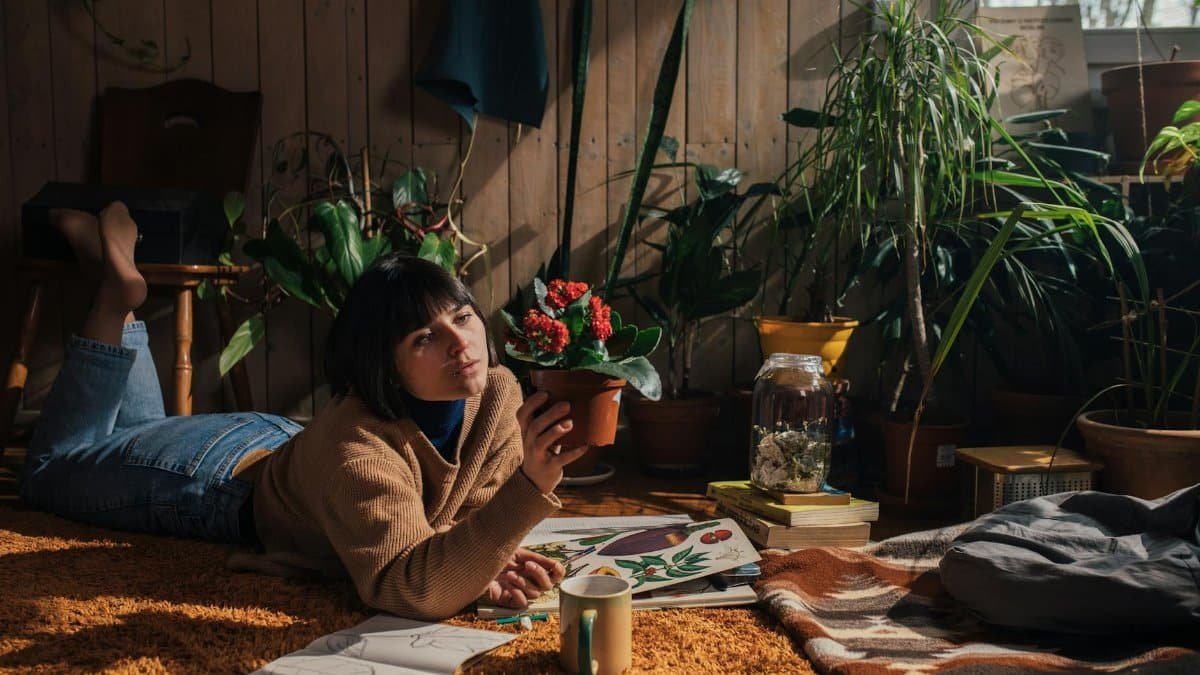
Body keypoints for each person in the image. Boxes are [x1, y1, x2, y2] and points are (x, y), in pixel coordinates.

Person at [19, 202, 588, 620]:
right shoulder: (357, 447)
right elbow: (407, 587)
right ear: (385, 366)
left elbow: (462, 515)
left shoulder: (497, 392)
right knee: (50, 472)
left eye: (462, 318)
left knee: (133, 435)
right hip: (218, 479)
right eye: (424, 338)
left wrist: (480, 562)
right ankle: (113, 296)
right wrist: (527, 491)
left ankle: (110, 284)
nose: (461, 343)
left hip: (288, 446)